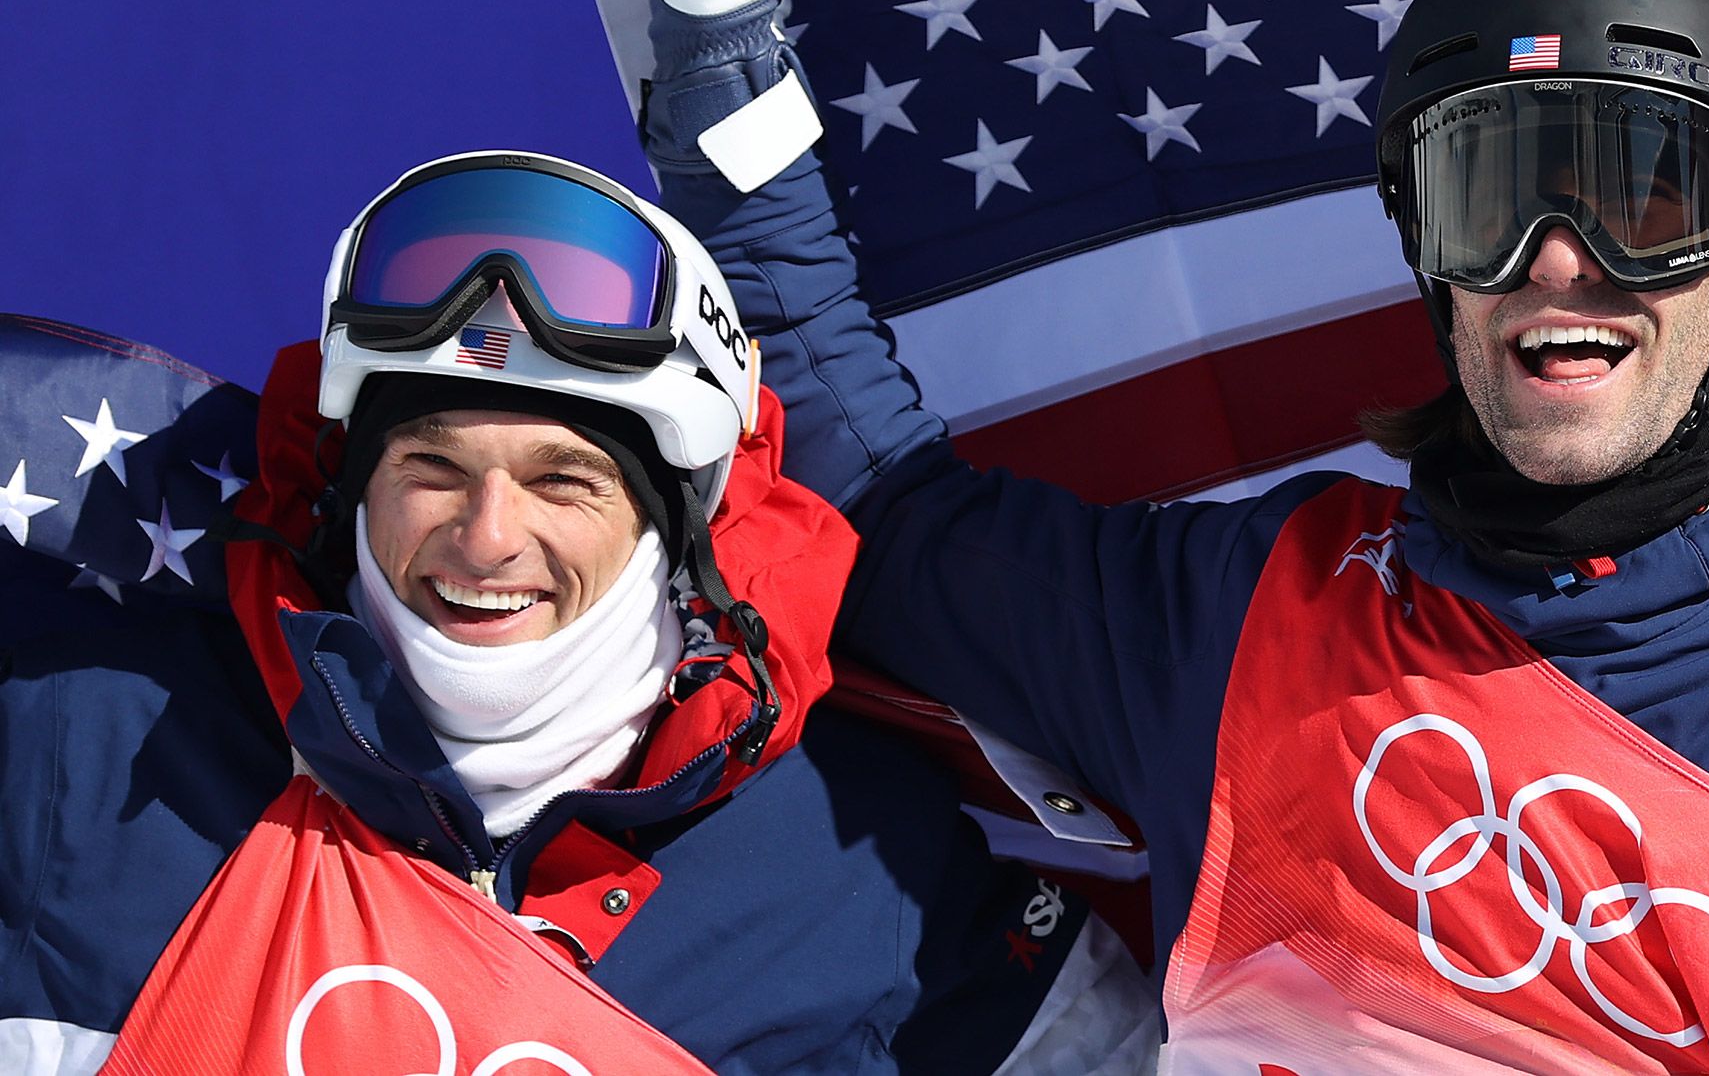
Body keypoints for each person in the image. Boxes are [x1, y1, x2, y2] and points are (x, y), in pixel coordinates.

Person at [567, 0, 1709, 1072]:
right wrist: (721, 85)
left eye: (1643, 197)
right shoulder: (1241, 630)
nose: (1559, 261)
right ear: (1422, 244)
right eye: (1489, 197)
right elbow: (864, 505)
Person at [0, 151, 1154, 1075]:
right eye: (432, 467)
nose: (488, 533)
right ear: (353, 482)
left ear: (672, 523)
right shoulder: (95, 738)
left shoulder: (862, 855)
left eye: (565, 481)